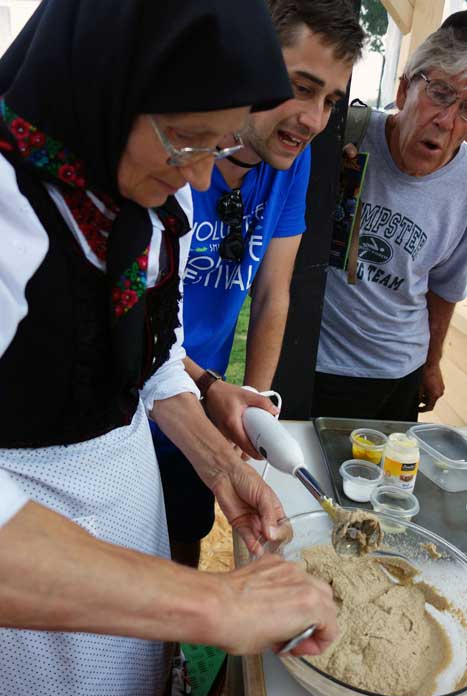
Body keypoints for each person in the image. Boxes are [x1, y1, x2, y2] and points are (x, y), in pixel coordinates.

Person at [0, 1, 339, 696]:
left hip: (128, 526)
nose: (202, 178)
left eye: (216, 146)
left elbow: (152, 360)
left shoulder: (143, 200)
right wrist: (215, 604)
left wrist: (220, 465)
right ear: (107, 83)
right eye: (188, 139)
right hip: (35, 597)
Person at [152, 0, 365, 567]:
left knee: (184, 532)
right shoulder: (163, 152)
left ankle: (171, 659)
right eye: (302, 87)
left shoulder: (291, 163)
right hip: (143, 390)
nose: (316, 120)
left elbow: (274, 293)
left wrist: (255, 411)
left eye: (331, 102)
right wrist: (210, 386)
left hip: (205, 394)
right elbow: (131, 315)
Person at [312, 22, 467, 422]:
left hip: (399, 375)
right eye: (440, 94)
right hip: (315, 365)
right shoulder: (346, 134)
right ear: (403, 91)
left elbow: (445, 287)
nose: (447, 121)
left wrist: (431, 365)